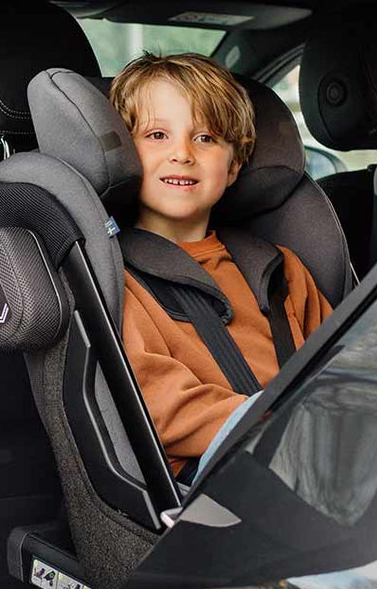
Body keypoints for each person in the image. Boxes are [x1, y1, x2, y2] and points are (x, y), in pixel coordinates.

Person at [110, 53, 332, 484]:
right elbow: (159, 407)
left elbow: (336, 362)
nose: (182, 154)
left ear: (233, 166)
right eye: (157, 134)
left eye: (206, 138)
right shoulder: (120, 280)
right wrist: (286, 428)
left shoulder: (278, 267)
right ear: (126, 157)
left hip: (314, 455)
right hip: (215, 480)